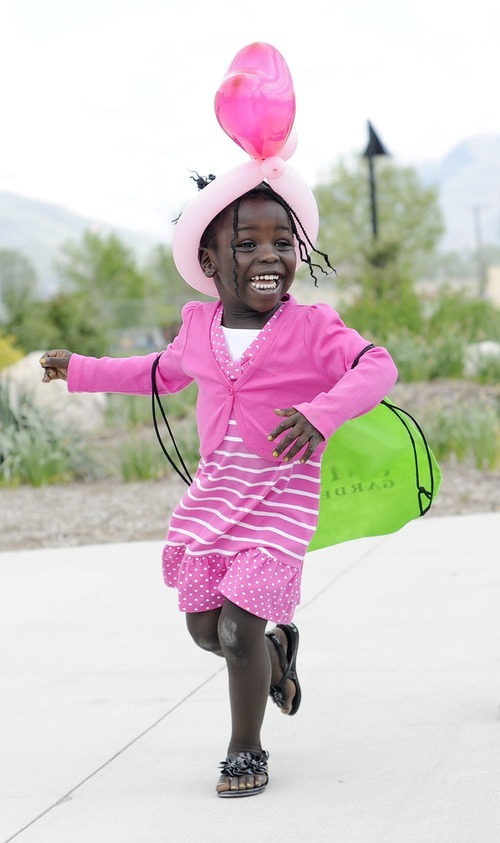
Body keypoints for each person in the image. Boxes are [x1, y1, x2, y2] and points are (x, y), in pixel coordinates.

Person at [39, 178, 398, 798]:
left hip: (281, 501)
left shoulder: (314, 326)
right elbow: (157, 372)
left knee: (237, 631)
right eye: (247, 243)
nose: (269, 255)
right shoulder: (198, 327)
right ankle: (278, 657)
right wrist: (81, 369)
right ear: (209, 263)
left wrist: (320, 415)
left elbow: (378, 365)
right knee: (207, 631)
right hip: (214, 500)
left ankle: (246, 749)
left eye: (283, 242)